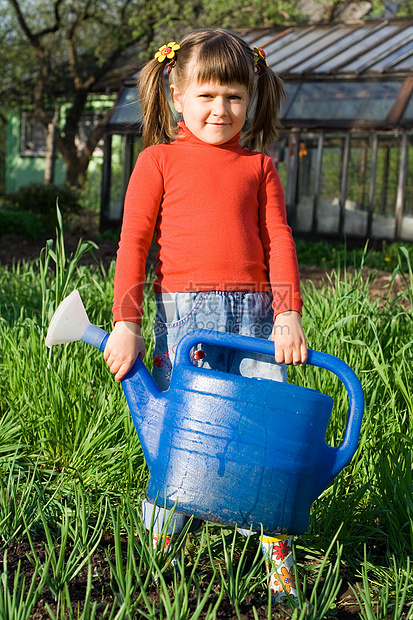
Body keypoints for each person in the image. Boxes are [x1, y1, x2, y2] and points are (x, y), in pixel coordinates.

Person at [103, 28, 307, 604]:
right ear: (177, 93)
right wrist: (127, 322)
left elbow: (279, 240)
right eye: (208, 95)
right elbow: (134, 244)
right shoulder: (158, 161)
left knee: (264, 438)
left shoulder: (259, 168)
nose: (221, 109)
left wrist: (288, 315)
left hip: (254, 323)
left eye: (235, 97)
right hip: (182, 320)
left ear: (253, 96)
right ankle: (157, 567)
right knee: (177, 432)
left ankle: (280, 575)